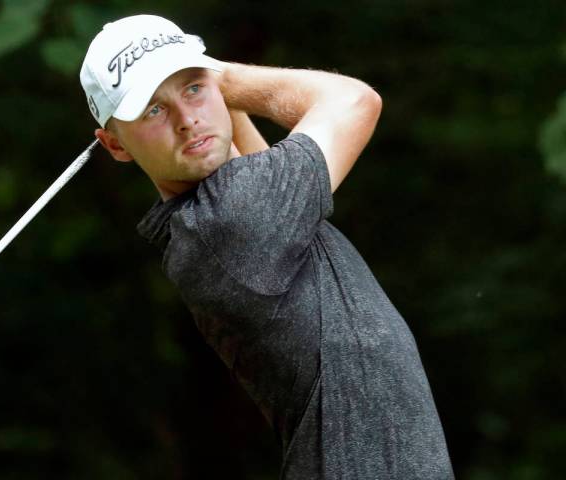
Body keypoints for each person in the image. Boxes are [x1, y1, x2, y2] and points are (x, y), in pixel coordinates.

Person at [80, 14, 455, 479]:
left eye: (192, 89)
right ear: (115, 145)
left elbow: (249, 166)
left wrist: (211, 88)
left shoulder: (215, 220)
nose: (186, 120)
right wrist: (223, 79)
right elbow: (355, 100)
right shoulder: (235, 220)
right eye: (154, 110)